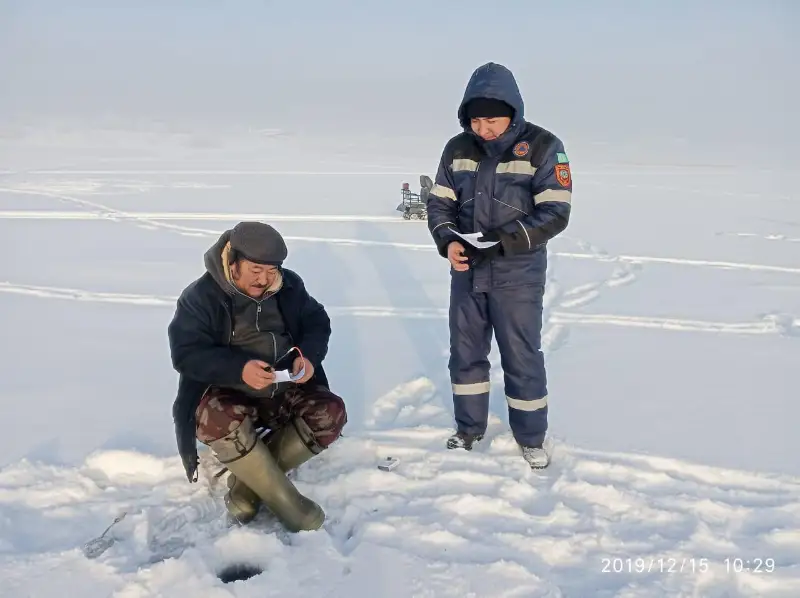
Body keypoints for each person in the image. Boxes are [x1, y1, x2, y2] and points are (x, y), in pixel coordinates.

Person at [425, 62, 573, 469]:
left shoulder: (543, 146)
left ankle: (530, 437)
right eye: (476, 120)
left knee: (520, 355)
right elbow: (439, 204)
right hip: (467, 271)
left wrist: (501, 243)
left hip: (517, 275)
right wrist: (448, 241)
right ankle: (469, 428)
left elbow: (555, 213)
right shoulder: (457, 148)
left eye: (491, 120)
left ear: (512, 111)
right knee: (465, 352)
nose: (483, 129)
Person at [167, 221, 347, 531]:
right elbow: (187, 353)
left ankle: (246, 489)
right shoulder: (201, 296)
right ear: (233, 261)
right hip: (229, 394)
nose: (263, 279)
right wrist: (238, 369)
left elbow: (317, 322)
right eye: (255, 270)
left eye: (271, 270)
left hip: (283, 388)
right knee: (215, 417)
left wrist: (307, 357)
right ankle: (292, 507)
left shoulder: (289, 287)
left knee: (330, 413)